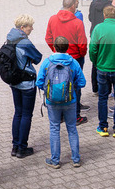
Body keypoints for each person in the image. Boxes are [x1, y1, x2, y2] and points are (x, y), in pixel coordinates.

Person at [36, 36, 87, 169]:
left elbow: (39, 82)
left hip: (52, 101)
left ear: (54, 47)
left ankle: (55, 160)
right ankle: (75, 159)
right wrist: (71, 88)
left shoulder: (47, 63)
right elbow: (82, 82)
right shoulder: (73, 62)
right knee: (72, 129)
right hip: (70, 101)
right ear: (67, 47)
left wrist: (49, 91)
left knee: (54, 129)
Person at [44, 0, 89, 125]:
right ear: (73, 6)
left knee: (59, 84)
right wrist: (80, 55)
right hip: (74, 58)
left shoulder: (52, 19)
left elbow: (48, 38)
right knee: (75, 87)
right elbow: (82, 44)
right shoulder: (77, 22)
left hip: (57, 57)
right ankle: (75, 116)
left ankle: (61, 115)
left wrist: (55, 49)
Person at [89, 4, 115, 139]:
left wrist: (96, 62)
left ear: (104, 15)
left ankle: (103, 127)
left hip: (102, 69)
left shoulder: (98, 29)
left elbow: (92, 49)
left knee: (102, 98)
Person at [5, 14, 42, 158]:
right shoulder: (25, 42)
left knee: (18, 113)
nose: (32, 29)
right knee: (26, 114)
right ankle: (22, 147)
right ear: (22, 27)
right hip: (26, 83)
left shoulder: (9, 38)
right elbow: (37, 58)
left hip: (14, 82)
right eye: (29, 26)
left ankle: (15, 146)